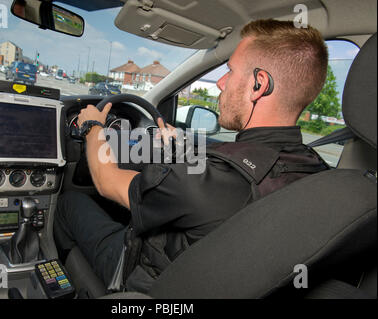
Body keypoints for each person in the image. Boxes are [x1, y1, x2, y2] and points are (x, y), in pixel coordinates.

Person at [54, 19, 330, 293]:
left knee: (69, 202)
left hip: (142, 278)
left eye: (230, 71)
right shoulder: (320, 173)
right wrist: (184, 149)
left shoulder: (204, 180)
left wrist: (92, 127)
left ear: (259, 85)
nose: (221, 83)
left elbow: (106, 180)